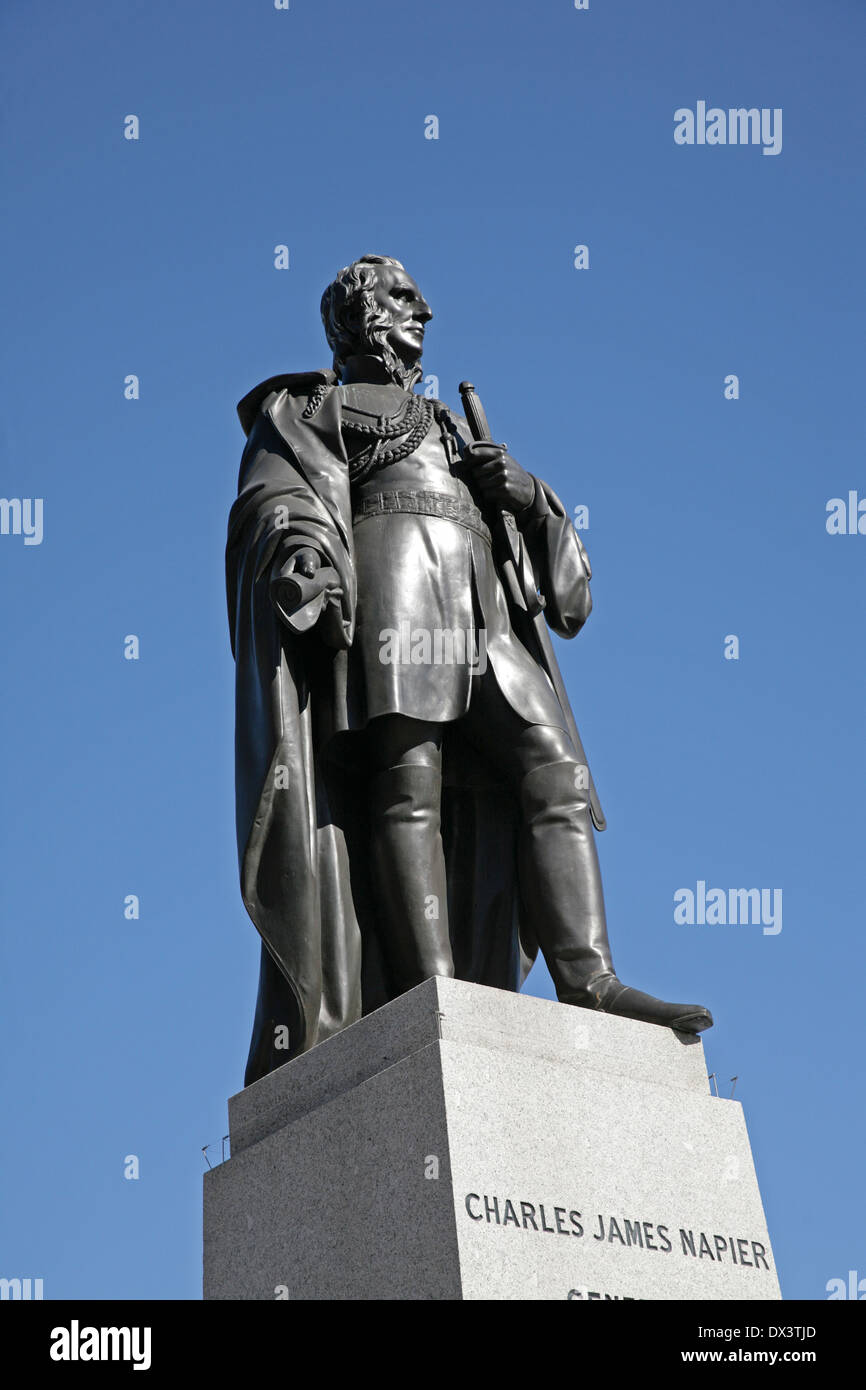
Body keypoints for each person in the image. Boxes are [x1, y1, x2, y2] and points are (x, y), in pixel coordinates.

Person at [227, 254, 712, 1087]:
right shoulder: (311, 407)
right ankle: (434, 994)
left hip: (486, 605)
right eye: (402, 296)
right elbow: (281, 499)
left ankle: (588, 979)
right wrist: (303, 557)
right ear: (356, 315)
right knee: (406, 781)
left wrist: (523, 494)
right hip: (396, 585)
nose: (424, 309)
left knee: (555, 772)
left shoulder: (453, 424)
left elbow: (565, 594)